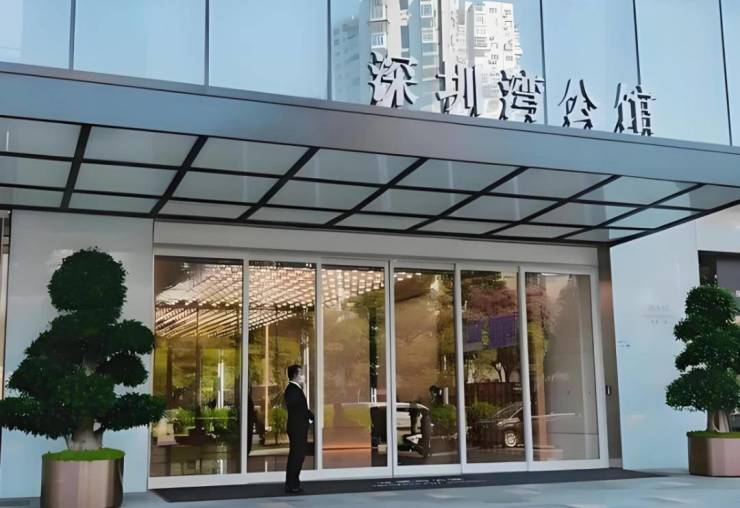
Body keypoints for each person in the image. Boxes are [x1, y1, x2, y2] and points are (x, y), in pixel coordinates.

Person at [284, 364, 313, 494]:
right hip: (297, 428)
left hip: (298, 427)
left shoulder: (295, 389)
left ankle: (292, 483)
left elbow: (302, 409)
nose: (303, 376)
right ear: (295, 375)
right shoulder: (292, 390)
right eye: (301, 373)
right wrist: (311, 417)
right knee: (297, 456)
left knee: (297, 456)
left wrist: (312, 417)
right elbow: (300, 410)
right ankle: (292, 484)